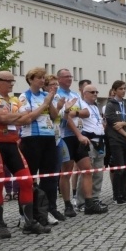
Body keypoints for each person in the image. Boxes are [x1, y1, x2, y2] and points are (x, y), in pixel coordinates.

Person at [0, 71, 54, 237]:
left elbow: (27, 119)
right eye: (7, 81)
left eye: (12, 81)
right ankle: (1, 225)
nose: (11, 84)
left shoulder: (16, 100)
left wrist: (10, 118)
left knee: (27, 181)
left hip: (13, 144)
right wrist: (15, 117)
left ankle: (29, 222)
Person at [18, 68, 61, 224]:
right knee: (29, 178)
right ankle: (25, 213)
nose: (43, 81)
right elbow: (28, 117)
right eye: (39, 78)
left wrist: (51, 101)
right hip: (32, 138)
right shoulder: (25, 96)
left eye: (44, 78)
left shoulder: (46, 95)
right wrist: (44, 104)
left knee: (49, 176)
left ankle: (46, 210)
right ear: (31, 79)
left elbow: (55, 116)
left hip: (49, 137)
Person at [53, 68, 88, 218]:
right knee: (66, 172)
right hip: (64, 136)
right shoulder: (56, 95)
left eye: (70, 76)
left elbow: (86, 112)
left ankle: (88, 200)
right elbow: (63, 119)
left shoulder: (75, 94)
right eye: (66, 76)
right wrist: (71, 115)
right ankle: (67, 204)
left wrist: (75, 112)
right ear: (59, 79)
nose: (69, 78)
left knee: (87, 168)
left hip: (77, 136)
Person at [75, 84, 109, 213]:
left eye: (96, 92)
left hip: (100, 141)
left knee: (98, 173)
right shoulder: (81, 104)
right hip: (88, 141)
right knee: (86, 173)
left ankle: (94, 198)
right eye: (92, 92)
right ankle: (81, 202)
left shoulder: (95, 106)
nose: (95, 94)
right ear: (85, 93)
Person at [105, 81, 126, 204]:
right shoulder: (110, 105)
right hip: (116, 140)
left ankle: (123, 193)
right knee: (119, 169)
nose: (123, 91)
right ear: (114, 90)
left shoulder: (125, 105)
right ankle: (116, 195)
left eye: (124, 88)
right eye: (120, 89)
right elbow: (114, 125)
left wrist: (123, 124)